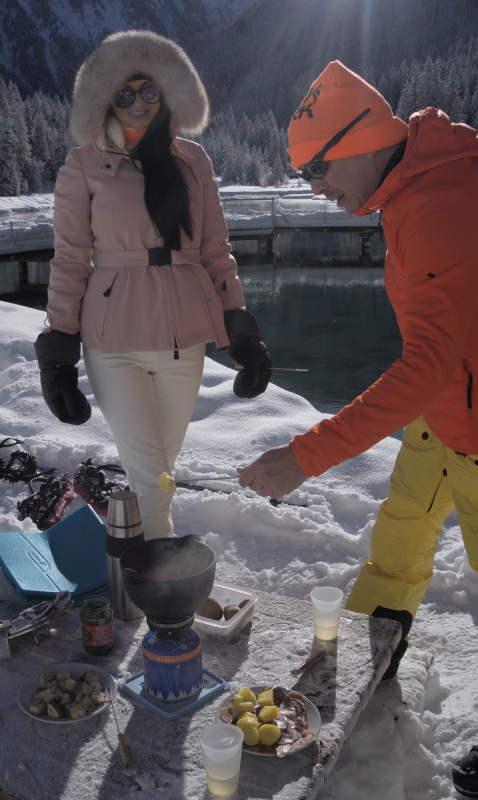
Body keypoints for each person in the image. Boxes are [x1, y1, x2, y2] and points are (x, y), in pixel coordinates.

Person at [237, 60, 478, 790]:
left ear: (361, 137)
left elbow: (427, 364)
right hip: (441, 422)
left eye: (315, 168)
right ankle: (370, 647)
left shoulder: (437, 206)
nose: (312, 187)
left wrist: (304, 457)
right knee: (399, 537)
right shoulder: (411, 188)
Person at [35, 30, 271, 540]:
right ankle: (162, 584)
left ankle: (128, 563)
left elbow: (215, 253)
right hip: (112, 342)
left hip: (184, 341)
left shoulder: (193, 160)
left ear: (167, 93)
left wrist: (241, 335)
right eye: (125, 93)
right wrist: (57, 354)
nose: (138, 103)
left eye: (150, 91)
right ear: (105, 97)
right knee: (151, 474)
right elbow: (71, 260)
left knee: (159, 467)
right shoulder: (82, 165)